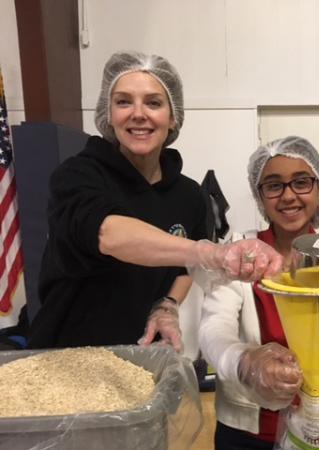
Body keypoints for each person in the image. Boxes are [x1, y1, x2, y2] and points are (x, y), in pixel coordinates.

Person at [27, 51, 282, 351]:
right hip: (66, 356)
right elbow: (108, 234)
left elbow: (184, 266)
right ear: (108, 114)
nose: (138, 113)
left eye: (153, 102)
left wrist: (168, 304)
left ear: (173, 117)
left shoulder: (188, 196)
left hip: (141, 355)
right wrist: (212, 253)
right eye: (123, 101)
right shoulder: (77, 176)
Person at [198, 136, 319, 449]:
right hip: (245, 432)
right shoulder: (239, 254)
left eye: (301, 182)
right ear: (259, 195)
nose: (289, 196)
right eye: (274, 185)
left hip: (316, 425)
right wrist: (247, 363)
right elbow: (212, 330)